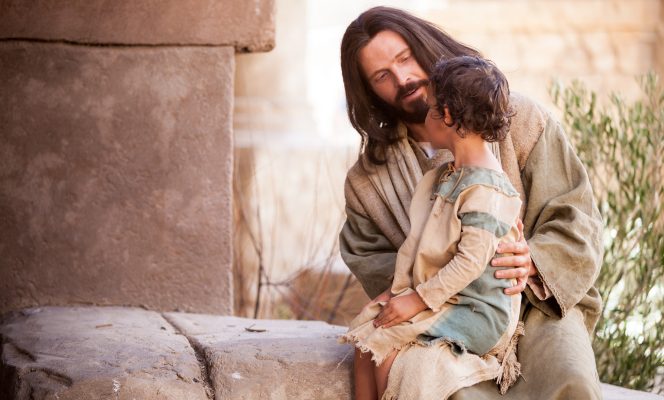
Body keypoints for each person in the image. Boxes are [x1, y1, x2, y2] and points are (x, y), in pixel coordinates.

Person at [339, 6, 603, 400]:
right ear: (367, 89)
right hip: (438, 310)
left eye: (404, 58)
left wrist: (532, 260)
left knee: (570, 382)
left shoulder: (521, 118)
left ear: (423, 45)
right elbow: (369, 255)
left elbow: (576, 213)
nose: (403, 78)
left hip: (535, 301)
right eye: (382, 76)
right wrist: (418, 286)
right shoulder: (369, 180)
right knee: (438, 384)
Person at [342, 55, 525, 400]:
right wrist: (399, 292)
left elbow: (469, 264)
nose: (424, 118)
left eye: (430, 109)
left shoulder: (486, 191)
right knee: (365, 344)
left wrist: (416, 300)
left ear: (450, 117)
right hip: (448, 296)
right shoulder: (452, 175)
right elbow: (428, 248)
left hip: (476, 310)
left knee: (387, 351)